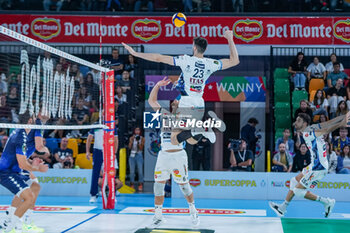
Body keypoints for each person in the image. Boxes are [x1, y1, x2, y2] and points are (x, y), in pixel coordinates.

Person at [122, 30, 238, 145]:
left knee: (174, 139)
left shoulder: (186, 60)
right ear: (205, 49)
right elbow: (234, 61)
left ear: (194, 48)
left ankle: (200, 129)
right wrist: (230, 39)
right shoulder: (211, 63)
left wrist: (136, 53)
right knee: (191, 141)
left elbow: (158, 58)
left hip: (187, 102)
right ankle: (201, 130)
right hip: (199, 103)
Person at [269, 112, 350, 218]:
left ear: (305, 123)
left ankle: (327, 202)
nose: (295, 123)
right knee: (294, 181)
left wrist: (341, 124)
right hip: (313, 164)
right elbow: (327, 124)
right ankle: (282, 208)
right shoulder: (312, 128)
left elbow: (326, 129)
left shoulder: (308, 132)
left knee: (298, 191)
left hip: (319, 167)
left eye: (299, 120)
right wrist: (342, 118)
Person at [148, 77, 201, 228]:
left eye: (178, 102)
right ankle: (158, 216)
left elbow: (192, 142)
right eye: (174, 102)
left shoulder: (186, 119)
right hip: (164, 155)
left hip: (178, 155)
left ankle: (193, 211)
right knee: (158, 186)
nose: (175, 103)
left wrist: (197, 135)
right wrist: (157, 85)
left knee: (184, 186)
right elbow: (152, 101)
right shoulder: (164, 115)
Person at [0, 111, 49, 232]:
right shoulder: (20, 136)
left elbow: (21, 159)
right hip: (6, 173)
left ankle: (14, 221)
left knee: (34, 187)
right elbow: (24, 160)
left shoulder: (23, 134)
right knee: (28, 196)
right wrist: (38, 168)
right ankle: (12, 225)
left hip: (15, 169)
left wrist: (32, 163)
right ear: (31, 121)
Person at [87, 122, 118, 203]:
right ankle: (93, 195)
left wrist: (114, 153)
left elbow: (115, 140)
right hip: (98, 151)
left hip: (108, 150)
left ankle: (112, 194)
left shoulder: (112, 124)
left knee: (111, 173)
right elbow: (89, 138)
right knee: (95, 173)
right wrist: (87, 151)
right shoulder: (96, 125)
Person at [128, 127, 145, 192]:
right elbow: (129, 147)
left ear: (140, 131)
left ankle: (140, 184)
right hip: (132, 155)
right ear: (134, 131)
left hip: (139, 154)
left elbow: (141, 148)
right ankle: (132, 184)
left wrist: (138, 142)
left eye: (138, 130)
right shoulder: (131, 138)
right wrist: (131, 141)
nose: (137, 131)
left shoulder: (142, 138)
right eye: (136, 130)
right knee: (132, 171)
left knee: (140, 170)